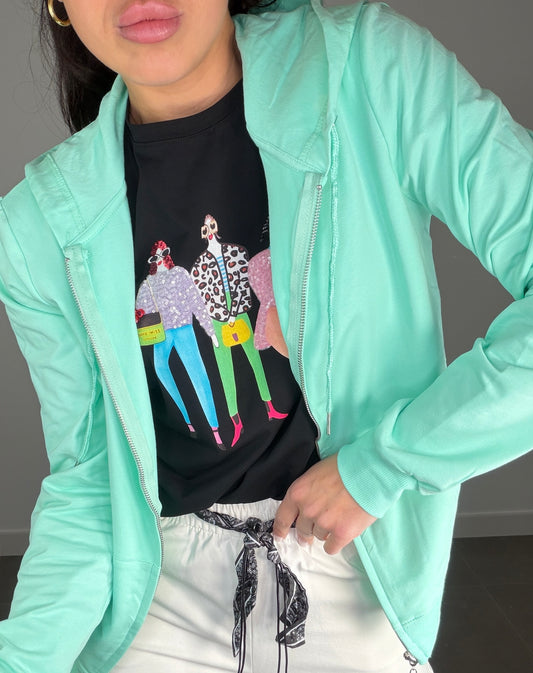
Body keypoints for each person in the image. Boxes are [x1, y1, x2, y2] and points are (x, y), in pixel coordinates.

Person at [1, 0, 533, 672]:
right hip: (152, 602)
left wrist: (383, 466)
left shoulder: (367, 71)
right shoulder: (38, 223)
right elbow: (89, 484)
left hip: (347, 573)